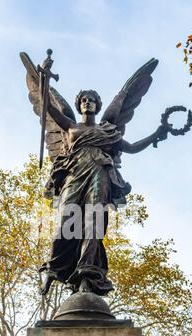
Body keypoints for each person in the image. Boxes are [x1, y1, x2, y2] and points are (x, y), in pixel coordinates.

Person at [39, 89, 169, 295]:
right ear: (78, 105)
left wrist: (157, 133)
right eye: (83, 100)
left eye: (92, 100)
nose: (87, 102)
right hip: (74, 174)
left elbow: (132, 147)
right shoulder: (70, 126)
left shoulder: (107, 131)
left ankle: (85, 275)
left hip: (100, 172)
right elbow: (48, 106)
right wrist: (43, 81)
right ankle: (55, 269)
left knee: (93, 224)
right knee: (66, 223)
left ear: (98, 105)